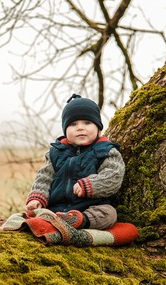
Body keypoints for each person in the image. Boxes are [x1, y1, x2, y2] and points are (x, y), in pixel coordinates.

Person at [25, 93, 125, 230]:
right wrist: (37, 197)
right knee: (37, 211)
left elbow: (114, 175)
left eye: (87, 123)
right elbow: (44, 177)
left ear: (99, 129)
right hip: (56, 208)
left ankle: (79, 221)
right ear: (65, 131)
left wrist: (89, 185)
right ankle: (49, 219)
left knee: (109, 214)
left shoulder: (105, 150)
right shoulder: (56, 152)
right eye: (73, 124)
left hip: (90, 207)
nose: (80, 128)